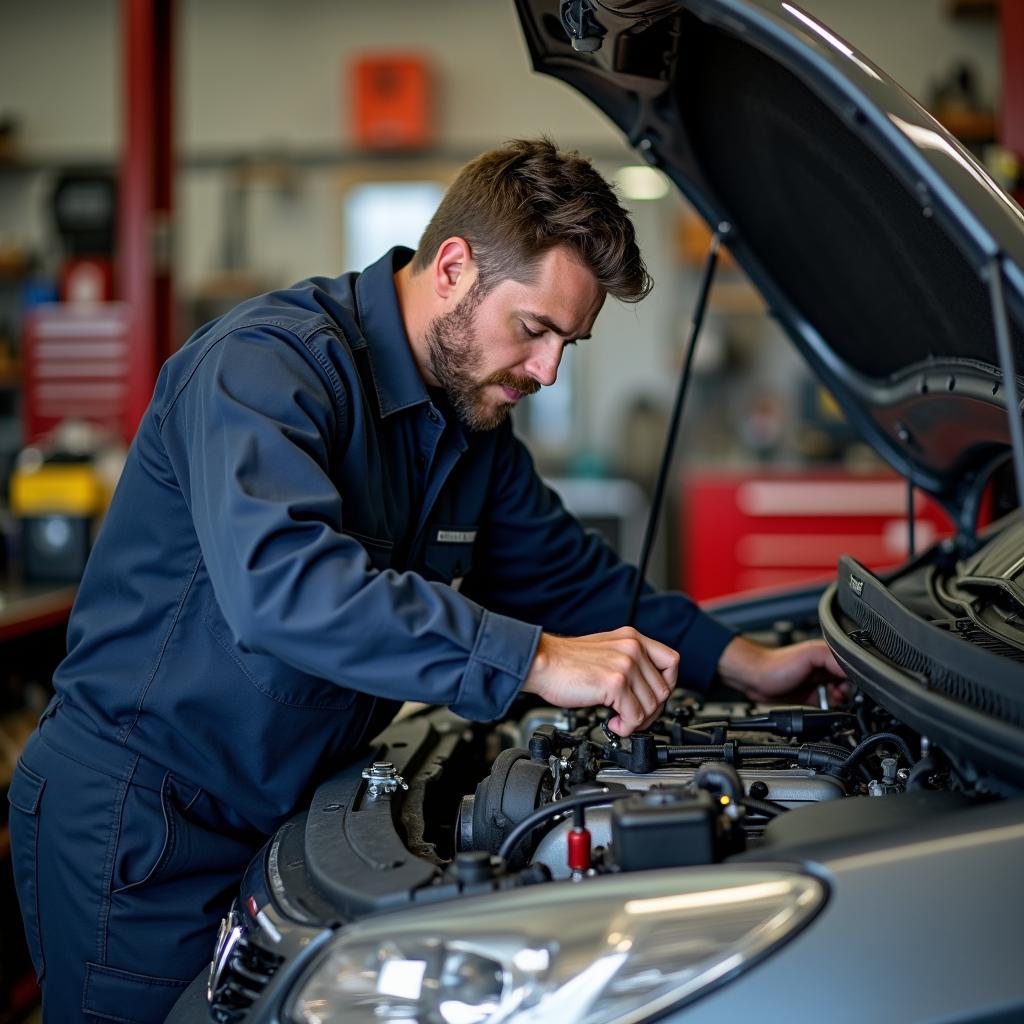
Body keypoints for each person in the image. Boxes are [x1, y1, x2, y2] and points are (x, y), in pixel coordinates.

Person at [8, 137, 844, 1021]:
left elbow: (567, 577)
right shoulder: (270, 367)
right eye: (535, 329)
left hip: (278, 809)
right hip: (144, 825)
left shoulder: (470, 428)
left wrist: (744, 660)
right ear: (453, 268)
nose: (548, 370)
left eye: (571, 341)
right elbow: (286, 587)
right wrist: (535, 660)